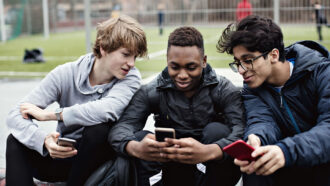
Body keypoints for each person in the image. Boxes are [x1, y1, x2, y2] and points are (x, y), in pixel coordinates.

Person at [5, 15, 147, 186]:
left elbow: (107, 110)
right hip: (63, 156)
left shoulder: (130, 78)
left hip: (98, 164)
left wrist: (51, 115)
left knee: (98, 129)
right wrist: (44, 140)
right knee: (15, 141)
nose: (131, 63)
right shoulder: (66, 73)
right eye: (126, 54)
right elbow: (15, 115)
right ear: (104, 48)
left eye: (135, 57)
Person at [109, 26, 245, 186]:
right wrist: (135, 147)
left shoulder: (223, 89)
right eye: (175, 67)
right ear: (167, 60)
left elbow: (242, 130)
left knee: (217, 131)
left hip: (211, 170)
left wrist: (211, 150)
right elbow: (121, 128)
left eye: (191, 67)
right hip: (172, 169)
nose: (182, 75)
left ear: (204, 61)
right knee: (139, 138)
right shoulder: (152, 91)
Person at [217, 15, 330, 186]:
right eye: (237, 62)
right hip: (289, 165)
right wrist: (256, 138)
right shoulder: (252, 87)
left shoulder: (321, 72)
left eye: (248, 61)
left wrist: (285, 151)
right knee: (255, 164)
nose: (241, 70)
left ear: (273, 55)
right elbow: (262, 120)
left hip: (322, 163)